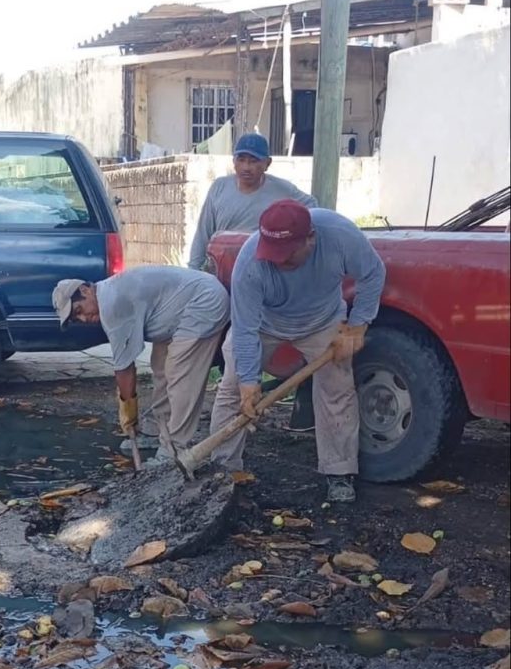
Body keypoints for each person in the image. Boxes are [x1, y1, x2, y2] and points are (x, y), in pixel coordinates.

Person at [209, 200, 386, 503]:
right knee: (232, 387)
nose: (279, 262)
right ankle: (222, 469)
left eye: (287, 254)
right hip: (265, 323)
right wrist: (249, 385)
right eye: (273, 254)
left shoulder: (340, 237)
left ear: (310, 239)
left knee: (337, 389)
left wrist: (357, 326)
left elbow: (373, 273)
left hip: (322, 320)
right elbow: (245, 330)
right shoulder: (250, 264)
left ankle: (339, 472)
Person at [52, 266, 229, 464]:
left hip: (204, 301)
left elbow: (125, 369)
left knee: (180, 374)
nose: (84, 319)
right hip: (180, 309)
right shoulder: (107, 294)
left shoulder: (112, 304)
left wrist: (128, 412)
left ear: (85, 290)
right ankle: (160, 430)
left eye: (79, 310)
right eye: (77, 318)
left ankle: (175, 449)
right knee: (160, 367)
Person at [187, 133, 318, 271]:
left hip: (260, 269)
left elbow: (313, 208)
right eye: (241, 160)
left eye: (253, 161)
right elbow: (203, 234)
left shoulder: (282, 190)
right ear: (234, 161)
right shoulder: (219, 188)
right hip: (220, 268)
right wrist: (193, 271)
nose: (246, 167)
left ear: (267, 163)